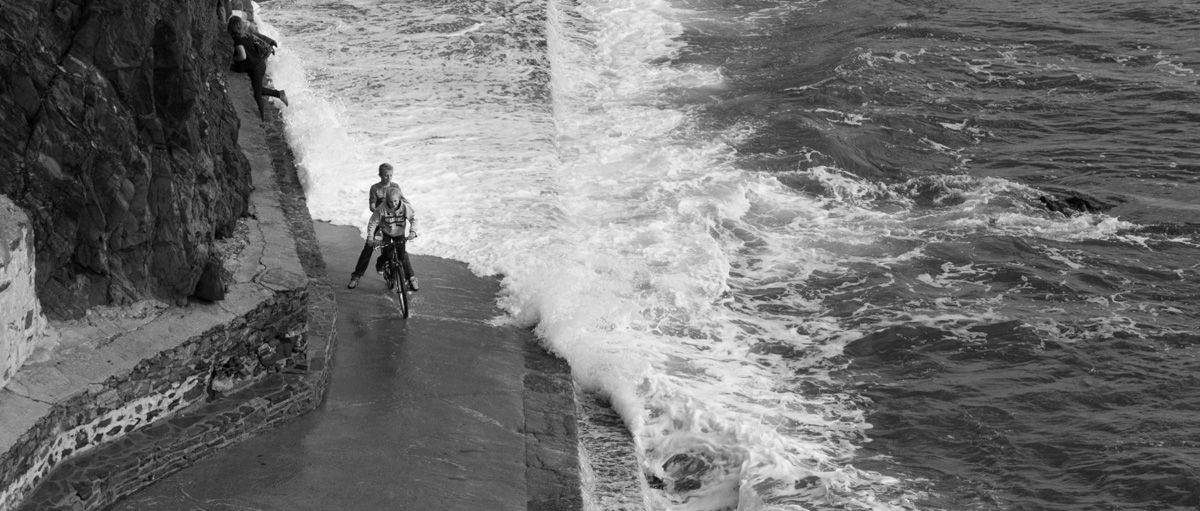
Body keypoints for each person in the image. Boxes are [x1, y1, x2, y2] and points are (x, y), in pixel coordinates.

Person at [348, 186, 419, 291]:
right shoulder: (381, 208)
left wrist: (412, 231)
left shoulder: (405, 207)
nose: (393, 204)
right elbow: (372, 223)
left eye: (395, 201)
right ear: (386, 200)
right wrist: (370, 236)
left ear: (399, 198)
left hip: (399, 234)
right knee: (387, 255)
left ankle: (409, 279)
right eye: (390, 202)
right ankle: (380, 262)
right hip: (386, 233)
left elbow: (413, 219)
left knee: (402, 256)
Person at [227, 15, 288, 120]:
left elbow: (242, 56)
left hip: (255, 68)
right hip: (260, 64)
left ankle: (262, 118)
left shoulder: (237, 40)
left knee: (257, 94)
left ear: (231, 28)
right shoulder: (247, 35)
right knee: (258, 89)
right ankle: (279, 94)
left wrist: (233, 59)